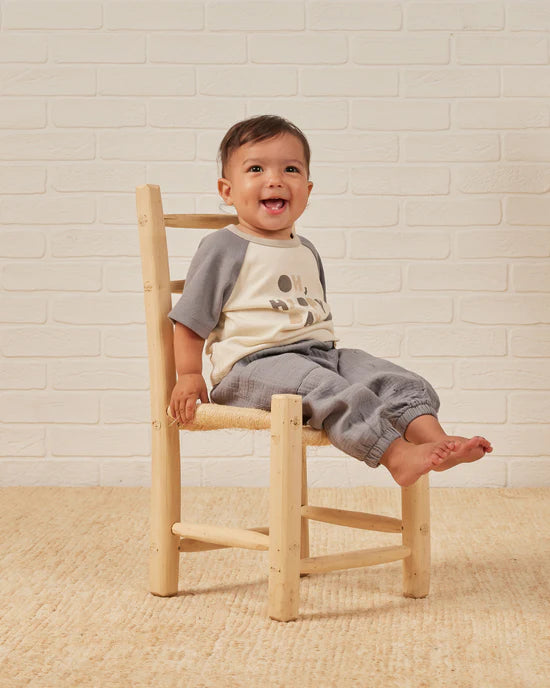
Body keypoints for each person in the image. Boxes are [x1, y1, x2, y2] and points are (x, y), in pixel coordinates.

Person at [168, 115, 492, 487]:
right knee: (333, 390)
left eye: (290, 169)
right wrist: (189, 374)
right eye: (256, 169)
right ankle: (395, 456)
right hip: (252, 367)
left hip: (319, 355)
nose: (275, 179)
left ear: (307, 190)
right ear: (227, 191)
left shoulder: (306, 249)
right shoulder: (224, 246)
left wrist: (335, 361)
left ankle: (436, 441)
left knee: (391, 378)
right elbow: (191, 318)